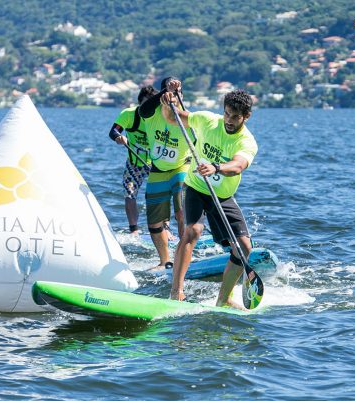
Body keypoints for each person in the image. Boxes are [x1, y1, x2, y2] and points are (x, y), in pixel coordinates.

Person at [161, 84, 257, 309]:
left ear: (246, 117)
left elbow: (238, 166)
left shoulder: (247, 141)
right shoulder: (207, 120)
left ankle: (223, 299)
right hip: (195, 187)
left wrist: (216, 167)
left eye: (235, 117)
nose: (229, 120)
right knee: (193, 230)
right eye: (226, 114)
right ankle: (177, 293)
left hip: (222, 196)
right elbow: (173, 118)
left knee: (244, 247)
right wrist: (168, 103)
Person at [138, 77, 192, 269]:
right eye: (171, 94)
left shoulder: (187, 117)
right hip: (158, 170)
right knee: (154, 223)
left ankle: (183, 257)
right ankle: (164, 260)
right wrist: (164, 92)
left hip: (182, 168)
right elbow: (143, 109)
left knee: (181, 213)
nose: (175, 98)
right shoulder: (150, 114)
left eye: (178, 95)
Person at [108, 86, 158, 234]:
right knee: (129, 192)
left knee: (159, 195)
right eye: (145, 105)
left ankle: (165, 228)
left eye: (151, 105)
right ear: (139, 103)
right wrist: (119, 137)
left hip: (157, 163)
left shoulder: (161, 116)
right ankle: (134, 229)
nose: (148, 109)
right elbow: (113, 131)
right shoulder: (128, 115)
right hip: (135, 163)